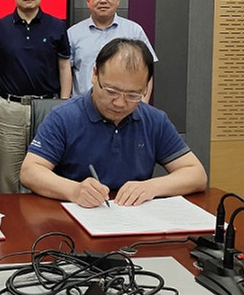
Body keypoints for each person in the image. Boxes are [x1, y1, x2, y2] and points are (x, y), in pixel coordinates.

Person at [20, 38, 206, 207]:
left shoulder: (154, 120)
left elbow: (196, 174)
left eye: (133, 94)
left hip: (133, 218)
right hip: (75, 216)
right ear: (95, 75)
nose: (120, 103)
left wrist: (151, 187)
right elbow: (30, 171)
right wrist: (74, 190)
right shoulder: (63, 117)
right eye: (111, 91)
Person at [0, 0, 72, 193]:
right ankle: (8, 216)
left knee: (46, 174)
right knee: (8, 177)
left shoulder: (57, 25)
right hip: (9, 109)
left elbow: (64, 66)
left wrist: (63, 105)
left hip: (48, 109)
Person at [68, 0, 158, 99]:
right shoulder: (73, 33)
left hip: (124, 105)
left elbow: (146, 70)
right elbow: (65, 73)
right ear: (88, 0)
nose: (103, 0)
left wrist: (142, 104)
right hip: (83, 106)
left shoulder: (133, 31)